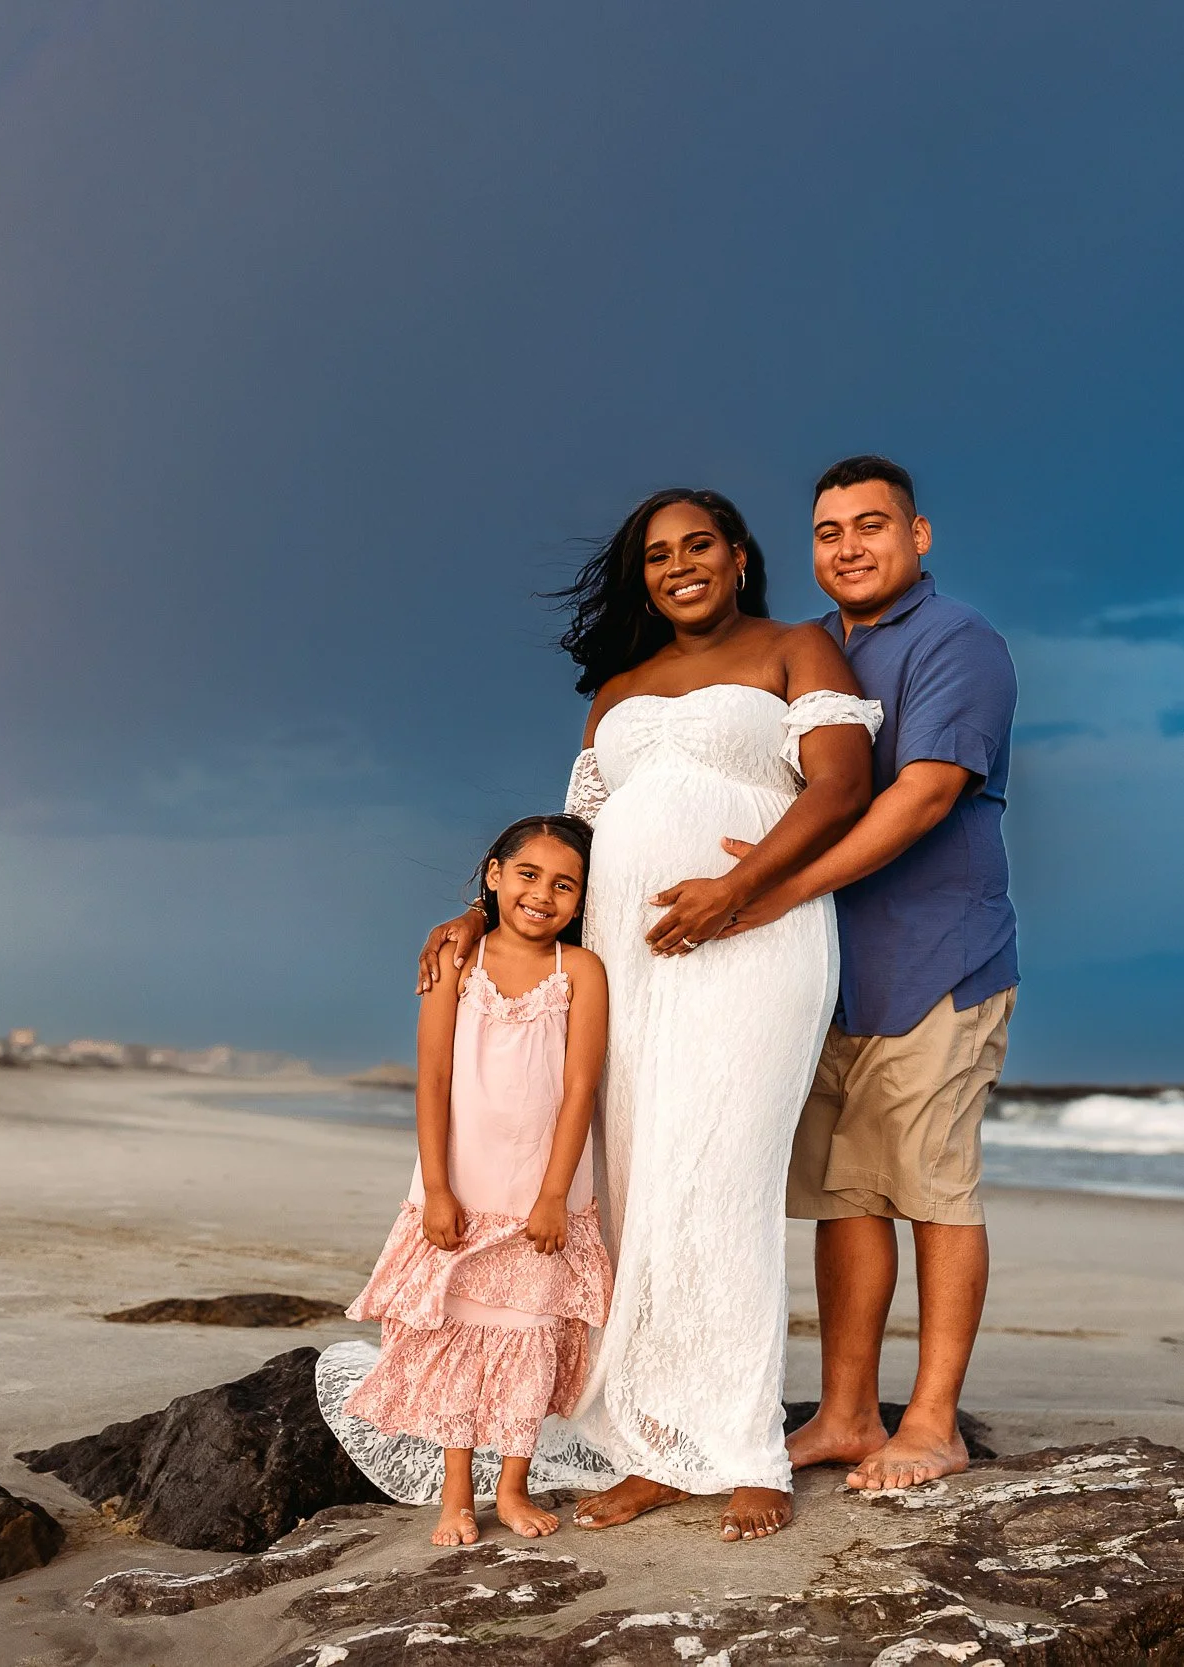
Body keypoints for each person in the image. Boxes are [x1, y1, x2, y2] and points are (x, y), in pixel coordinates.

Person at [420, 487, 879, 1541]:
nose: (679, 563)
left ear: (738, 554)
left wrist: (738, 887)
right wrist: (473, 908)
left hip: (755, 937)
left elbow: (840, 786)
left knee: (721, 1170)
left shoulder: (796, 648)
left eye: (698, 544)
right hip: (617, 956)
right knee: (628, 1180)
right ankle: (651, 1444)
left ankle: (744, 1442)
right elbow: (570, 843)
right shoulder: (615, 691)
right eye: (657, 554)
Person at [716, 455, 1021, 1492]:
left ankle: (930, 1421)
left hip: (940, 957)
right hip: (828, 971)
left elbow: (923, 796)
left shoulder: (956, 641)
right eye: (828, 531)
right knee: (847, 1193)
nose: (847, 546)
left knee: (932, 1187)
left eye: (870, 525)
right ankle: (846, 1412)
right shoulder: (812, 652)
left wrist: (782, 889)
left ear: (918, 534)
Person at [344, 815, 614, 1546]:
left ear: (583, 899)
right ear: (494, 875)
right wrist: (436, 1187)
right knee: (455, 1330)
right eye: (528, 874)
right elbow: (432, 1076)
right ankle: (456, 1491)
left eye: (565, 884)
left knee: (526, 1333)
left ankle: (513, 1486)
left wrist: (557, 1193)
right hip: (462, 1184)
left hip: (541, 1189)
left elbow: (580, 1087)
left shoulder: (579, 972)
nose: (543, 894)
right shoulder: (457, 962)